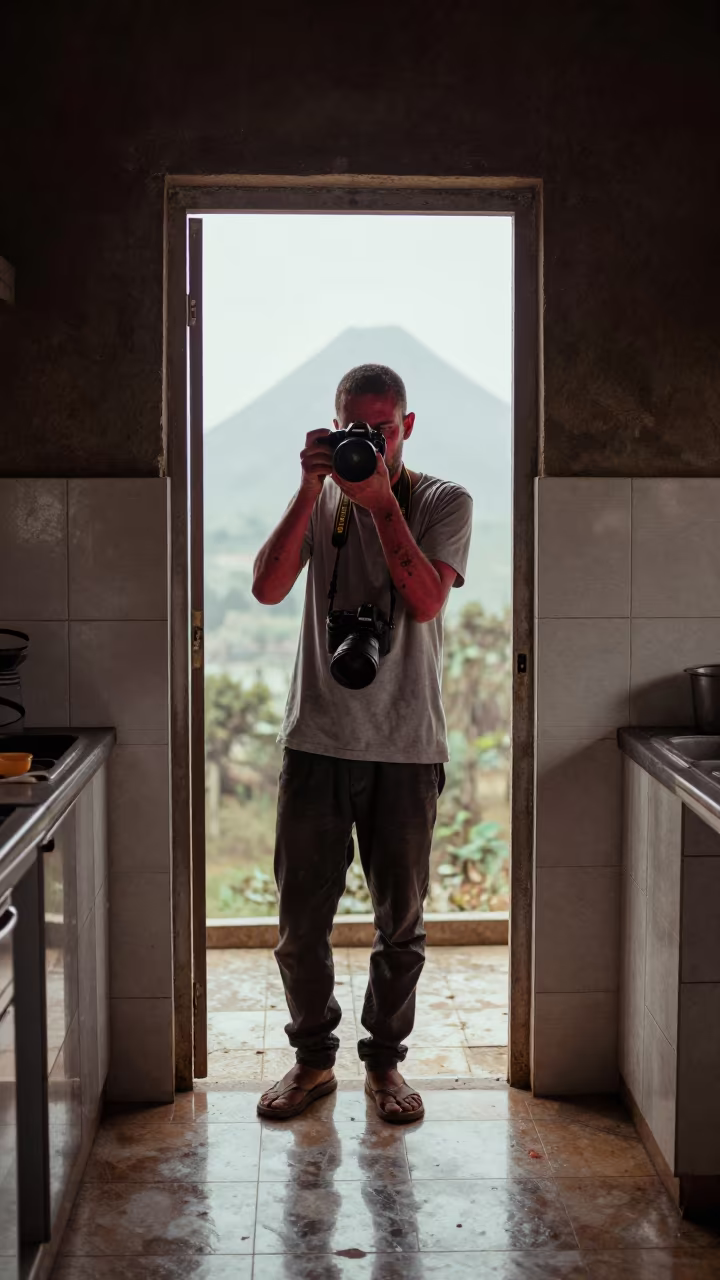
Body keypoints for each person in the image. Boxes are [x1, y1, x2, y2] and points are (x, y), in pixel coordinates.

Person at [252, 363, 473, 1124]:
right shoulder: (323, 501)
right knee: (298, 925)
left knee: (399, 924)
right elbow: (268, 588)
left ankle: (384, 1068)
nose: (367, 444)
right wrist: (312, 488)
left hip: (408, 745)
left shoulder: (442, 499)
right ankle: (314, 1061)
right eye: (353, 428)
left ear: (406, 427)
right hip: (316, 739)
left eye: (380, 430)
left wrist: (381, 504)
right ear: (333, 422)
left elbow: (426, 600)